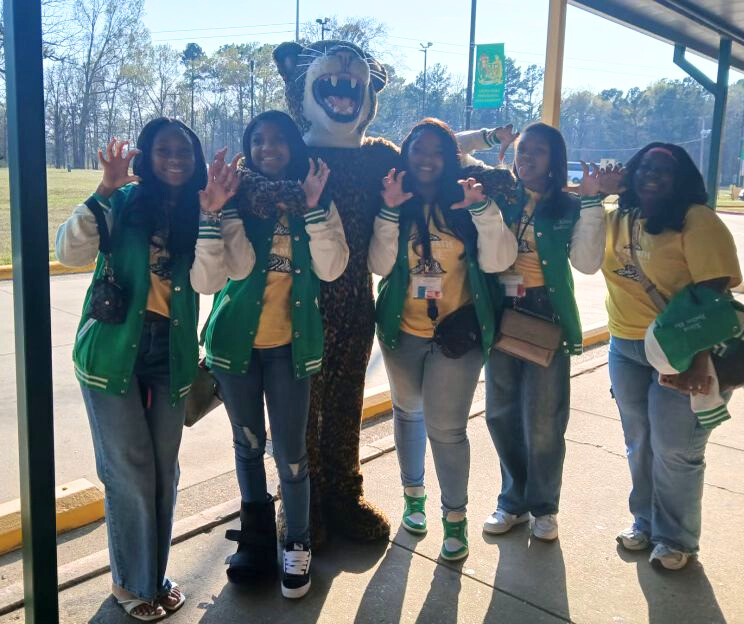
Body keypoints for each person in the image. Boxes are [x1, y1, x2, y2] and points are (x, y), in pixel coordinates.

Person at [55, 118, 240, 621]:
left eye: (184, 149)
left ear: (196, 158)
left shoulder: (201, 209)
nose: (174, 158)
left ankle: (152, 576)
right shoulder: (122, 201)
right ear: (147, 155)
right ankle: (132, 585)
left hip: (170, 354)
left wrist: (208, 217)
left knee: (164, 470)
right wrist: (103, 190)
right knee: (131, 471)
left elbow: (207, 281)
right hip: (112, 353)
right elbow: (68, 252)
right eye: (163, 149)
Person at [192, 110, 348, 599]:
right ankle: (256, 539)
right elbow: (231, 273)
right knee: (247, 445)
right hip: (236, 349)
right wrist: (222, 211)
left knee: (292, 454)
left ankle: (295, 541)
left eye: (278, 139)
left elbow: (332, 268)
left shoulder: (314, 200)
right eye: (257, 140)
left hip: (289, 349)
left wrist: (316, 209)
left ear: (293, 147)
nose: (267, 147)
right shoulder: (235, 198)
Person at [460, 122, 618, 541]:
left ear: (554, 161)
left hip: (545, 317)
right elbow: (448, 149)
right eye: (522, 149)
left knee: (545, 420)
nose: (526, 157)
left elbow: (586, 263)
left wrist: (591, 204)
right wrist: (490, 138)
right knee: (500, 414)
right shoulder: (498, 191)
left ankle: (544, 506)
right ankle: (512, 500)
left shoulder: (568, 206)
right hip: (500, 314)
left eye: (538, 152)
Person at [369, 118, 517, 561]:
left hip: (458, 334)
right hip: (402, 331)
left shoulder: (468, 198)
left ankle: (455, 518)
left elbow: (498, 262)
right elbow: (378, 265)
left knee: (447, 430)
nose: (427, 158)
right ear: (406, 156)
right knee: (407, 413)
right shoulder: (396, 201)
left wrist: (482, 211)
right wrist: (390, 210)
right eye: (418, 150)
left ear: (451, 157)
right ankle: (413, 498)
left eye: (437, 150)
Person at [601, 142, 742, 570]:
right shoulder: (619, 217)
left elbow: (714, 291)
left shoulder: (696, 221)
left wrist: (700, 359)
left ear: (681, 178)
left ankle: (676, 538)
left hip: (682, 351)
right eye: (643, 166)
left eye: (663, 169)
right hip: (625, 346)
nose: (651, 174)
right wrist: (603, 190)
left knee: (675, 448)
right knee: (639, 442)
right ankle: (644, 522)